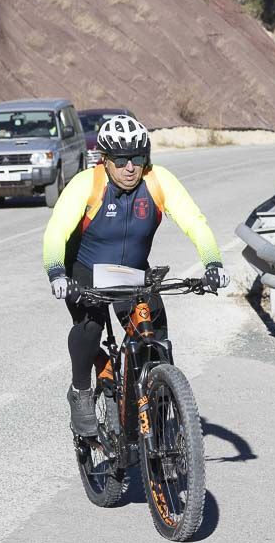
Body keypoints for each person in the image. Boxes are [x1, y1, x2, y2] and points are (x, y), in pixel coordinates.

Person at [41, 114, 229, 436]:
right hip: (86, 272)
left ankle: (158, 427)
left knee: (155, 343)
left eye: (138, 158)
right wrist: (57, 274)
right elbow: (55, 232)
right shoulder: (87, 184)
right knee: (89, 328)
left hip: (133, 275)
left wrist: (212, 263)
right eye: (123, 159)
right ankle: (81, 392)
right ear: (105, 160)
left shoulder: (157, 181)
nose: (131, 167)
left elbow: (195, 222)